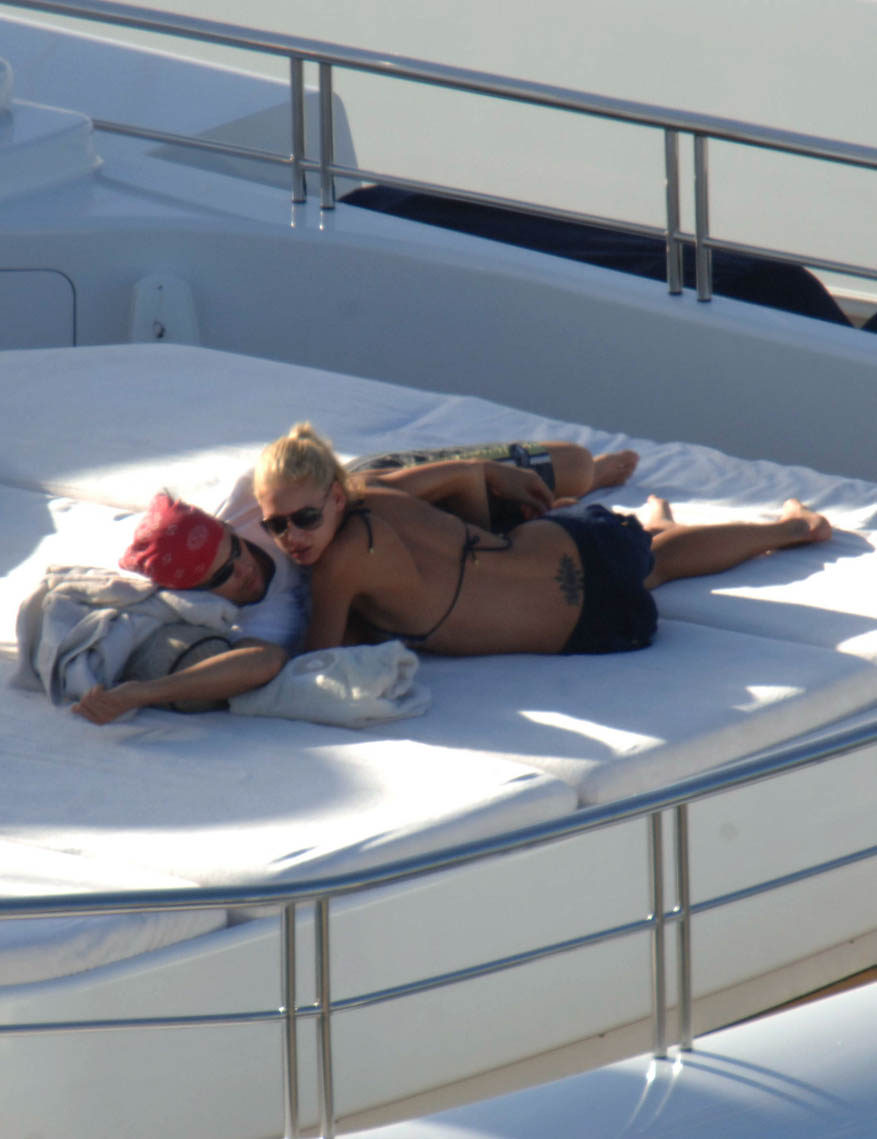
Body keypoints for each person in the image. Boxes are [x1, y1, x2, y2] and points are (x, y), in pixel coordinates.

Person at [253, 422, 832, 657]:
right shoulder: (375, 486)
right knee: (651, 561)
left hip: (592, 627)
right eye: (274, 525)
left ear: (335, 498)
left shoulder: (336, 568)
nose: (291, 538)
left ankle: (785, 528)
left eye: (304, 518)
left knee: (657, 566)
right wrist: (482, 541)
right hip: (574, 546)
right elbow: (467, 474)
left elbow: (318, 663)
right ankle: (787, 527)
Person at [71, 491, 308, 725]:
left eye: (236, 550)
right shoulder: (236, 622)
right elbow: (265, 661)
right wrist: (143, 693)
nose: (243, 569)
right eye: (223, 575)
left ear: (227, 528)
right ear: (197, 591)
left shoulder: (246, 510)